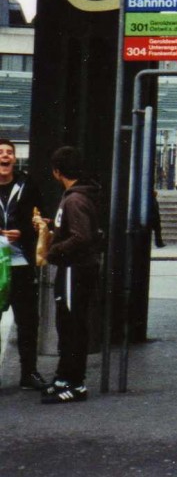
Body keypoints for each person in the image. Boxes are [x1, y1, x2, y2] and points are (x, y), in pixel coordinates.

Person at [32, 146, 103, 404]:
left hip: (75, 269)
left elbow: (81, 237)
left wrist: (52, 251)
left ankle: (75, 384)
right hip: (74, 269)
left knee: (72, 327)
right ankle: (64, 378)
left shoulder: (74, 199)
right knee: (67, 325)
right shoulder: (77, 197)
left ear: (56, 171)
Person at [0, 138, 49, 391]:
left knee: (28, 321)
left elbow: (40, 220)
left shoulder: (27, 185)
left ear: (14, 159)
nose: (5, 156)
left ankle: (28, 373)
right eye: (1, 152)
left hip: (20, 263)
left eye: (9, 152)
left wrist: (24, 233)